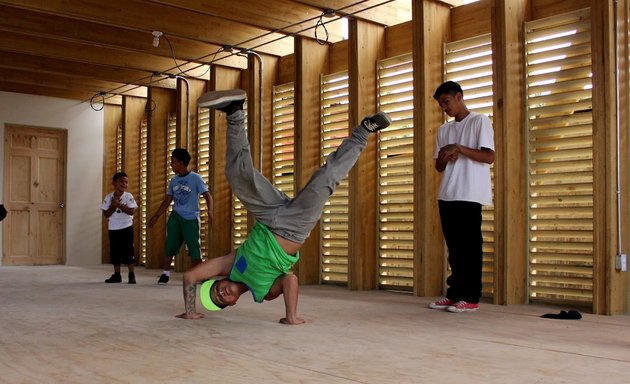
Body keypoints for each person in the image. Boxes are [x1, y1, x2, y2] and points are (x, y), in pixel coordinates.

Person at [176, 89, 391, 324]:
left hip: (267, 216)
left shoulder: (231, 265)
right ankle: (363, 131)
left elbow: (190, 275)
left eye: (216, 289)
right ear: (232, 303)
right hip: (294, 227)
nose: (221, 293)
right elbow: (290, 280)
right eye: (221, 300)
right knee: (326, 177)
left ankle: (234, 111)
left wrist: (190, 310)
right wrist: (291, 316)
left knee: (238, 175)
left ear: (218, 280)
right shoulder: (265, 293)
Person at [428, 80, 495, 313]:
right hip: (447, 194)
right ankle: (454, 294)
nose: (444, 108)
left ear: (459, 97)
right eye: (441, 105)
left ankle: (471, 297)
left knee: (470, 248)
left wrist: (459, 148)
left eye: (446, 102)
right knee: (454, 249)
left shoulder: (480, 121)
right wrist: (444, 158)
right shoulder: (443, 130)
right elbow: (438, 167)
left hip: (470, 194)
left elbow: (489, 157)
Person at [148, 148, 214, 284]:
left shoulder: (195, 178)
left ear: (181, 162)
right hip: (176, 216)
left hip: (190, 218)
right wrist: (156, 216)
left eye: (173, 162)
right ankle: (165, 274)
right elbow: (167, 201)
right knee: (170, 245)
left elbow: (207, 195)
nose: (171, 165)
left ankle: (200, 275)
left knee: (194, 248)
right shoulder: (173, 181)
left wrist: (210, 211)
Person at [102, 172, 138, 284]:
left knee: (129, 251)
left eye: (126, 182)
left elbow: (131, 211)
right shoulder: (108, 197)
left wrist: (118, 205)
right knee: (115, 252)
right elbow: (106, 214)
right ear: (114, 183)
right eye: (121, 181)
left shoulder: (129, 196)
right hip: (113, 229)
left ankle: (131, 274)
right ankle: (117, 275)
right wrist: (113, 206)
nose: (124, 183)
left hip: (126, 227)